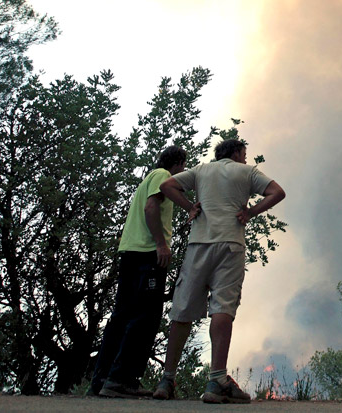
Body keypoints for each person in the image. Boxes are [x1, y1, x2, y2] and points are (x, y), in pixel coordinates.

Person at [152, 138, 286, 403]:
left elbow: (167, 185)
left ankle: (167, 380)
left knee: (183, 308)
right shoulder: (246, 172)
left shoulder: (201, 170)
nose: (246, 160)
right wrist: (251, 212)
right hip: (231, 245)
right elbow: (278, 192)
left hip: (199, 244)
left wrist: (190, 206)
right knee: (223, 307)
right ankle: (216, 381)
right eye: (244, 154)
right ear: (236, 153)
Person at [92, 146, 199, 398]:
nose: (183, 172)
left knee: (121, 316)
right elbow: (152, 208)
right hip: (147, 255)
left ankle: (102, 379)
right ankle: (122, 379)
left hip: (130, 253)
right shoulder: (162, 175)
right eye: (184, 166)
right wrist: (161, 244)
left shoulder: (149, 177)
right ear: (178, 163)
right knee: (145, 317)